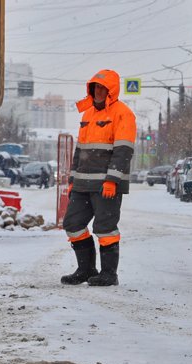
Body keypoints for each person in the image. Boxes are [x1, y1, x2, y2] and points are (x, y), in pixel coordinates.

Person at [61, 69, 136, 286]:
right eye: (96, 87)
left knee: (105, 229)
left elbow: (123, 150)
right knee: (73, 224)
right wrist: (73, 178)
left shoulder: (123, 114)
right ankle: (86, 270)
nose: (99, 91)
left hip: (106, 185)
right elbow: (80, 150)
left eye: (103, 88)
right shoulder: (88, 114)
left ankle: (109, 274)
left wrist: (113, 179)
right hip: (83, 183)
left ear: (111, 90)